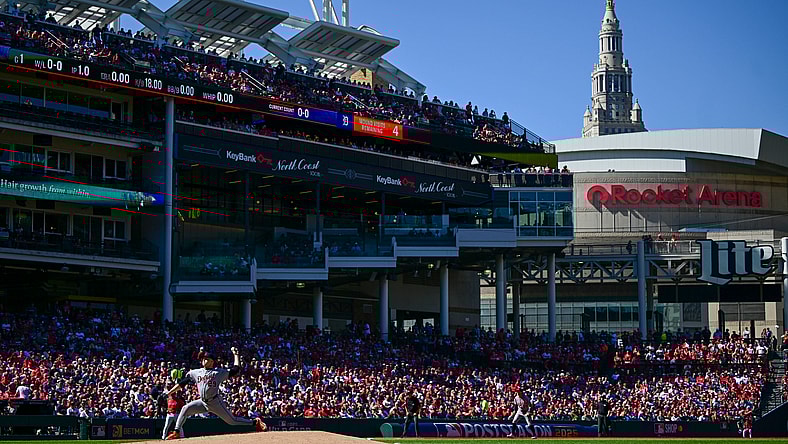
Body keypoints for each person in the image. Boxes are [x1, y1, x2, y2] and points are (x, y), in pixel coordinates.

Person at [165, 347, 266, 439]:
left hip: (215, 402)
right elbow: (182, 383)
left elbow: (235, 370)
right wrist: (169, 393)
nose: (204, 360)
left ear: (212, 361)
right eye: (203, 358)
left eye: (206, 359)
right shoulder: (195, 372)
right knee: (185, 409)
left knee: (232, 421)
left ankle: (255, 422)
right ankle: (177, 431)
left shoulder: (218, 372)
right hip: (203, 402)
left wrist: (236, 355)